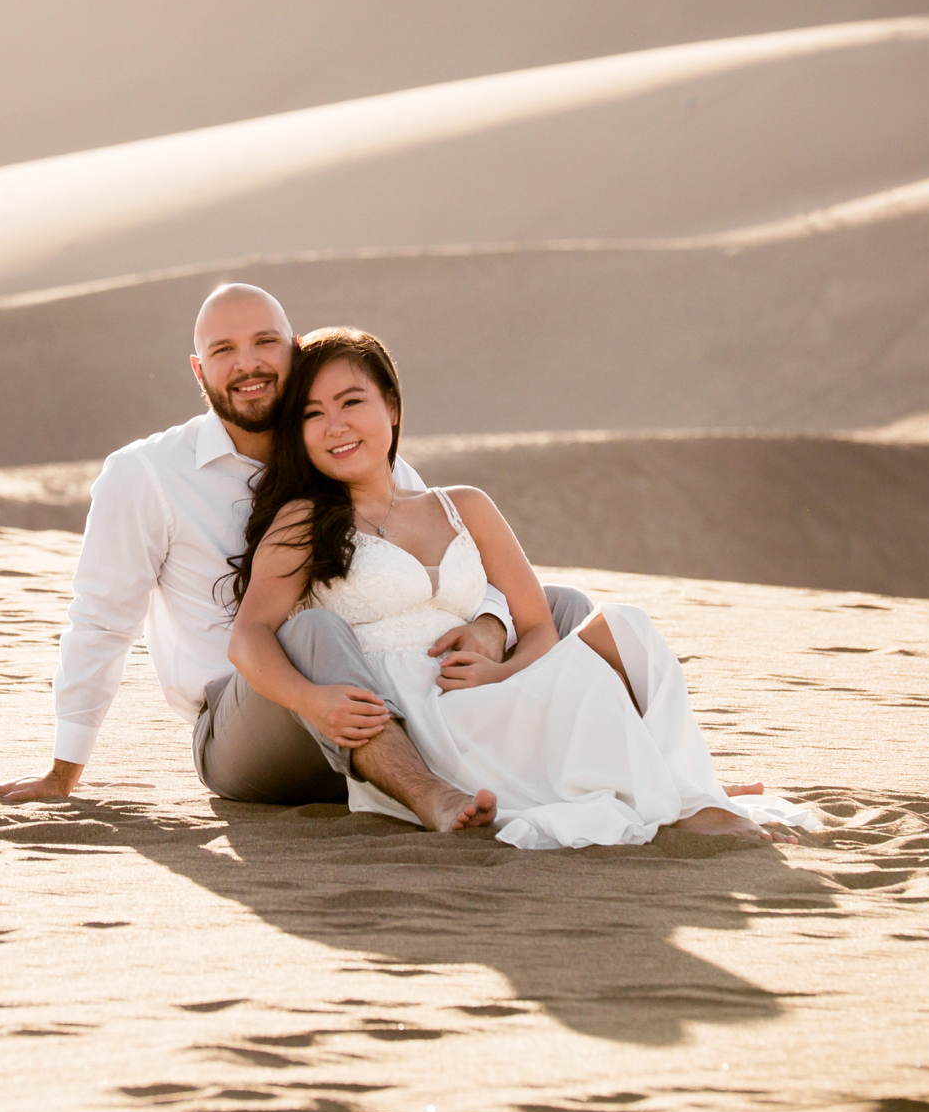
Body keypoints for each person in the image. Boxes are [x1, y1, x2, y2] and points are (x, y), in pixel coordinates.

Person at [0, 283, 599, 831]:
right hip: (254, 727)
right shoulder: (147, 474)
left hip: (397, 690)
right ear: (199, 370)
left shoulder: (350, 442)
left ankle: (611, 774)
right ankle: (430, 795)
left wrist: (491, 627)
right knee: (310, 631)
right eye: (223, 350)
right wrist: (64, 771)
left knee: (562, 609)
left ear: (294, 349)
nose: (247, 363)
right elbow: (100, 620)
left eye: (264, 342)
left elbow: (452, 561)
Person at [226, 326, 819, 849]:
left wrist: (501, 674)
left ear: (393, 408)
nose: (335, 426)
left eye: (351, 402)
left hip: (491, 688)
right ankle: (678, 798)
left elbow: (538, 627)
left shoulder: (465, 507)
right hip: (415, 719)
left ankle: (684, 793)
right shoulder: (304, 520)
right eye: (312, 413)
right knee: (586, 695)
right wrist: (309, 699)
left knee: (628, 627)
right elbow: (248, 637)